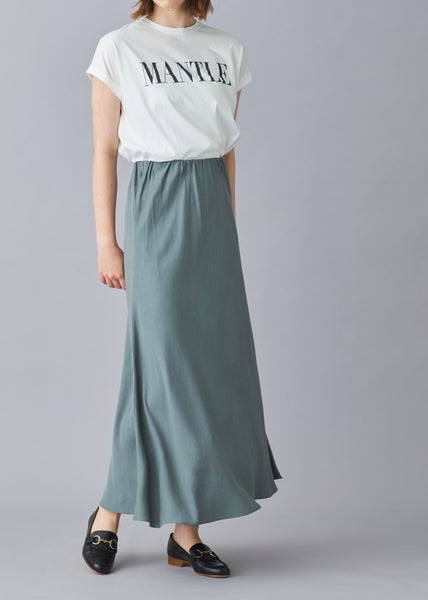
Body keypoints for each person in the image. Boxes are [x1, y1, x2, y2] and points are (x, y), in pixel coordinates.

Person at [81, 0, 282, 578]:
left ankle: (185, 531)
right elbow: (105, 150)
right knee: (158, 365)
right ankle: (109, 510)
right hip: (156, 200)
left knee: (208, 365)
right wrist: (107, 241)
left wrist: (227, 227)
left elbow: (225, 147)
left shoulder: (226, 49)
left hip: (211, 209)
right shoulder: (118, 47)